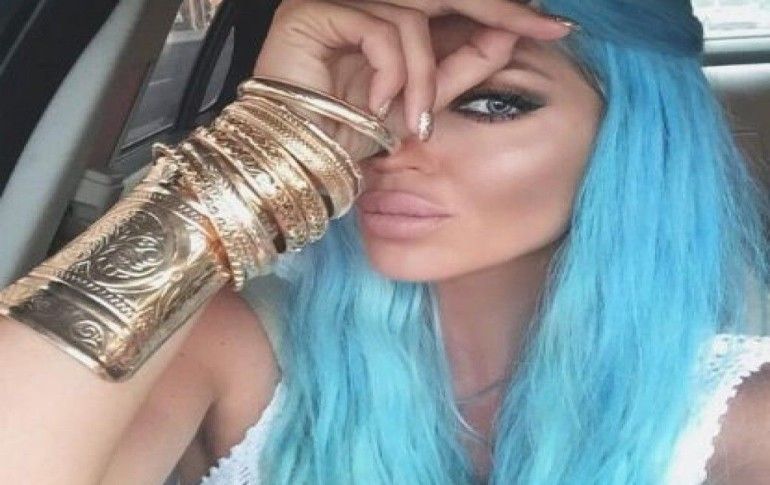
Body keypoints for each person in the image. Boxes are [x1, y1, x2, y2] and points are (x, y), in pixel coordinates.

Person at [0, 0, 768, 484]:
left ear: (629, 138)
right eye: (375, 95)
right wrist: (248, 157)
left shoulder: (738, 420)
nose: (395, 142)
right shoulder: (235, 350)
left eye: (492, 104)